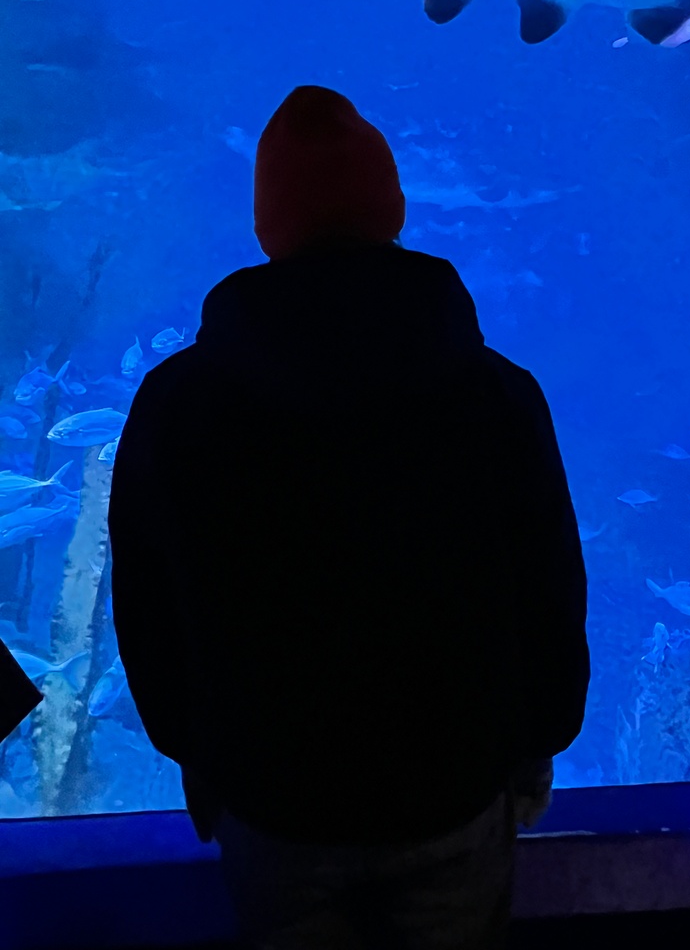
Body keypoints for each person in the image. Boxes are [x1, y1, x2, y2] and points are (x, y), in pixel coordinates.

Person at [108, 86, 590, 950]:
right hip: (453, 792)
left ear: (267, 226)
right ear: (393, 211)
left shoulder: (178, 404)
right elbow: (548, 585)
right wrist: (537, 742)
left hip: (272, 801)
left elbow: (146, 603)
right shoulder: (497, 395)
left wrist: (196, 752)